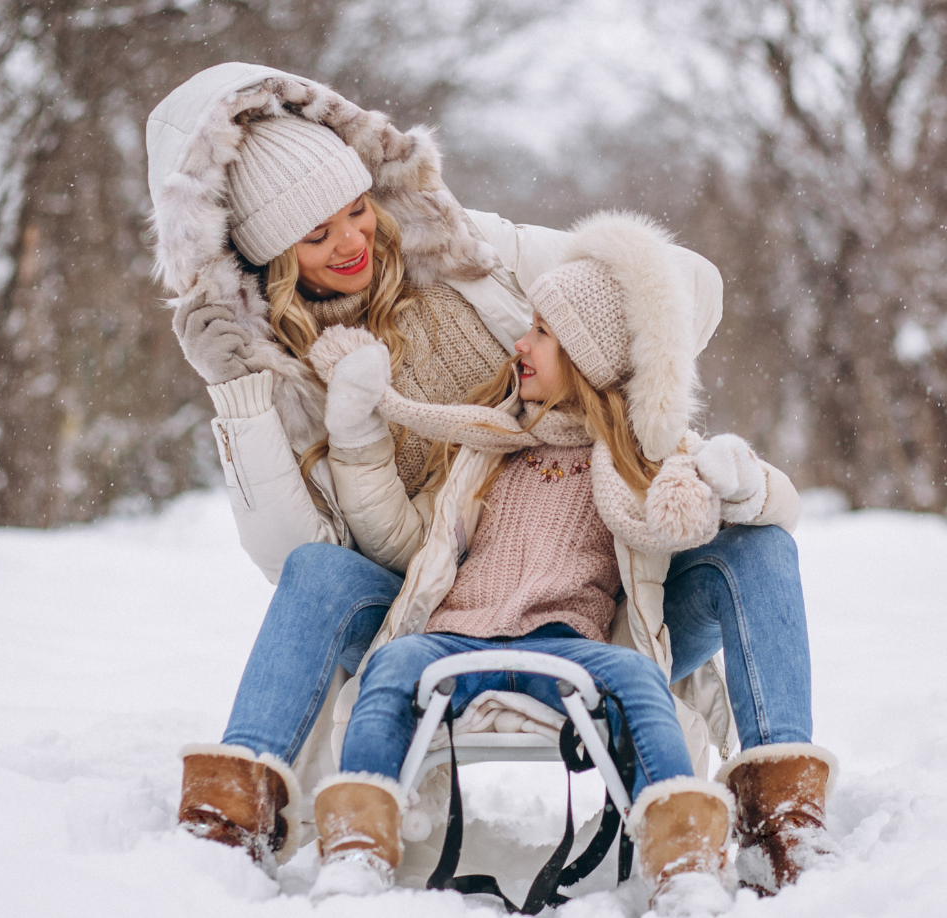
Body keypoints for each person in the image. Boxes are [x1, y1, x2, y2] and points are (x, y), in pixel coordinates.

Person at [146, 64, 831, 896]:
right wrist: (257, 401)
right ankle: (234, 818)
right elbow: (290, 555)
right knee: (316, 571)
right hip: (427, 598)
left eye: (357, 208)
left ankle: (781, 819)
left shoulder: (469, 250)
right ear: (270, 258)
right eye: (317, 235)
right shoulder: (270, 372)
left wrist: (634, 399)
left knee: (759, 545)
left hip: (605, 602)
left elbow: (686, 288)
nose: (353, 240)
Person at [303, 212, 837, 911]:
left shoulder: (636, 456)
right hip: (454, 636)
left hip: (569, 644)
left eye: (541, 333)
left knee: (640, 681)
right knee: (388, 672)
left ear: (585, 357)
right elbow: (412, 539)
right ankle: (357, 846)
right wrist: (360, 427)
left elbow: (751, 506)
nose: (520, 345)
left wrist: (736, 482)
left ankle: (684, 855)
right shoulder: (484, 445)